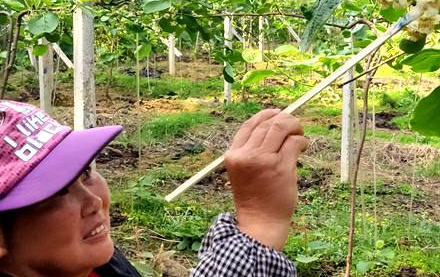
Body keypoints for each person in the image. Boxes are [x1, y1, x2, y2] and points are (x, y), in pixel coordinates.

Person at [0, 100, 308, 277]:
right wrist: (261, 222)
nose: (94, 200)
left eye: (87, 173)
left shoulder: (96, 266)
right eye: (57, 193)